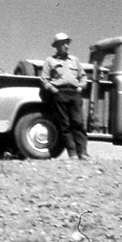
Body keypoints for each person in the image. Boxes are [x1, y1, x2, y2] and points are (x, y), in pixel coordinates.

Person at [40, 32, 89, 160]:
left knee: (78, 123)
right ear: (56, 46)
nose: (66, 46)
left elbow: (83, 76)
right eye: (63, 44)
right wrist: (54, 90)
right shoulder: (50, 61)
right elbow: (44, 79)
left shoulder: (75, 60)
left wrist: (80, 87)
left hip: (74, 93)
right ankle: (72, 154)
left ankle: (83, 153)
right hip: (60, 94)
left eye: (67, 43)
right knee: (65, 125)